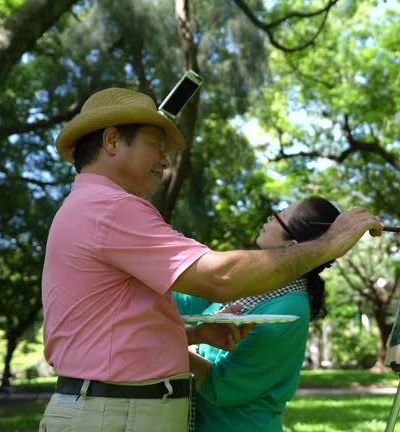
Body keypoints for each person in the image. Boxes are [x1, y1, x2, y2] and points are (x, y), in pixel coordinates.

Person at [39, 87, 382, 432]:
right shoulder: (111, 208)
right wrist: (330, 244)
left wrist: (195, 334)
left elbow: (121, 330)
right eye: (156, 145)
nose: (165, 160)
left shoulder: (91, 206)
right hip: (116, 414)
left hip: (113, 411)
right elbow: (219, 279)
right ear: (112, 141)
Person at [177, 196, 340, 431]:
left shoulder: (287, 311)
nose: (270, 216)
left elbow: (223, 387)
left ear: (293, 247)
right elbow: (185, 300)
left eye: (280, 216)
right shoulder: (252, 283)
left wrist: (168, 342)